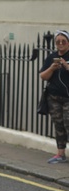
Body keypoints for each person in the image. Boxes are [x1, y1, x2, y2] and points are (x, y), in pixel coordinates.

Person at [40, 30, 69, 163]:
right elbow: (43, 76)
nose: (61, 43)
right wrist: (52, 68)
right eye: (58, 41)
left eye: (64, 41)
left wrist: (66, 66)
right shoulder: (51, 57)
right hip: (54, 98)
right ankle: (60, 154)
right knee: (59, 125)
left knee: (68, 124)